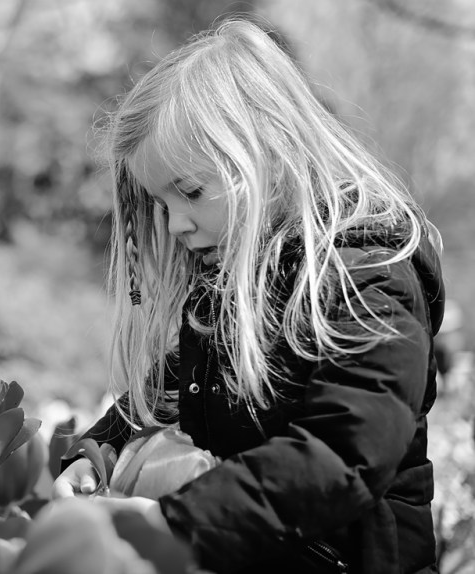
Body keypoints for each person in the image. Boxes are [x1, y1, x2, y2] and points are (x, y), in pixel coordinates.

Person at [52, 17, 444, 574]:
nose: (174, 225)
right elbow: (159, 394)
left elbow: (345, 454)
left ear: (269, 156)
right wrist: (91, 456)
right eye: (161, 204)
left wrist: (175, 524)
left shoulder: (368, 279)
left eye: (189, 192)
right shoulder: (232, 286)